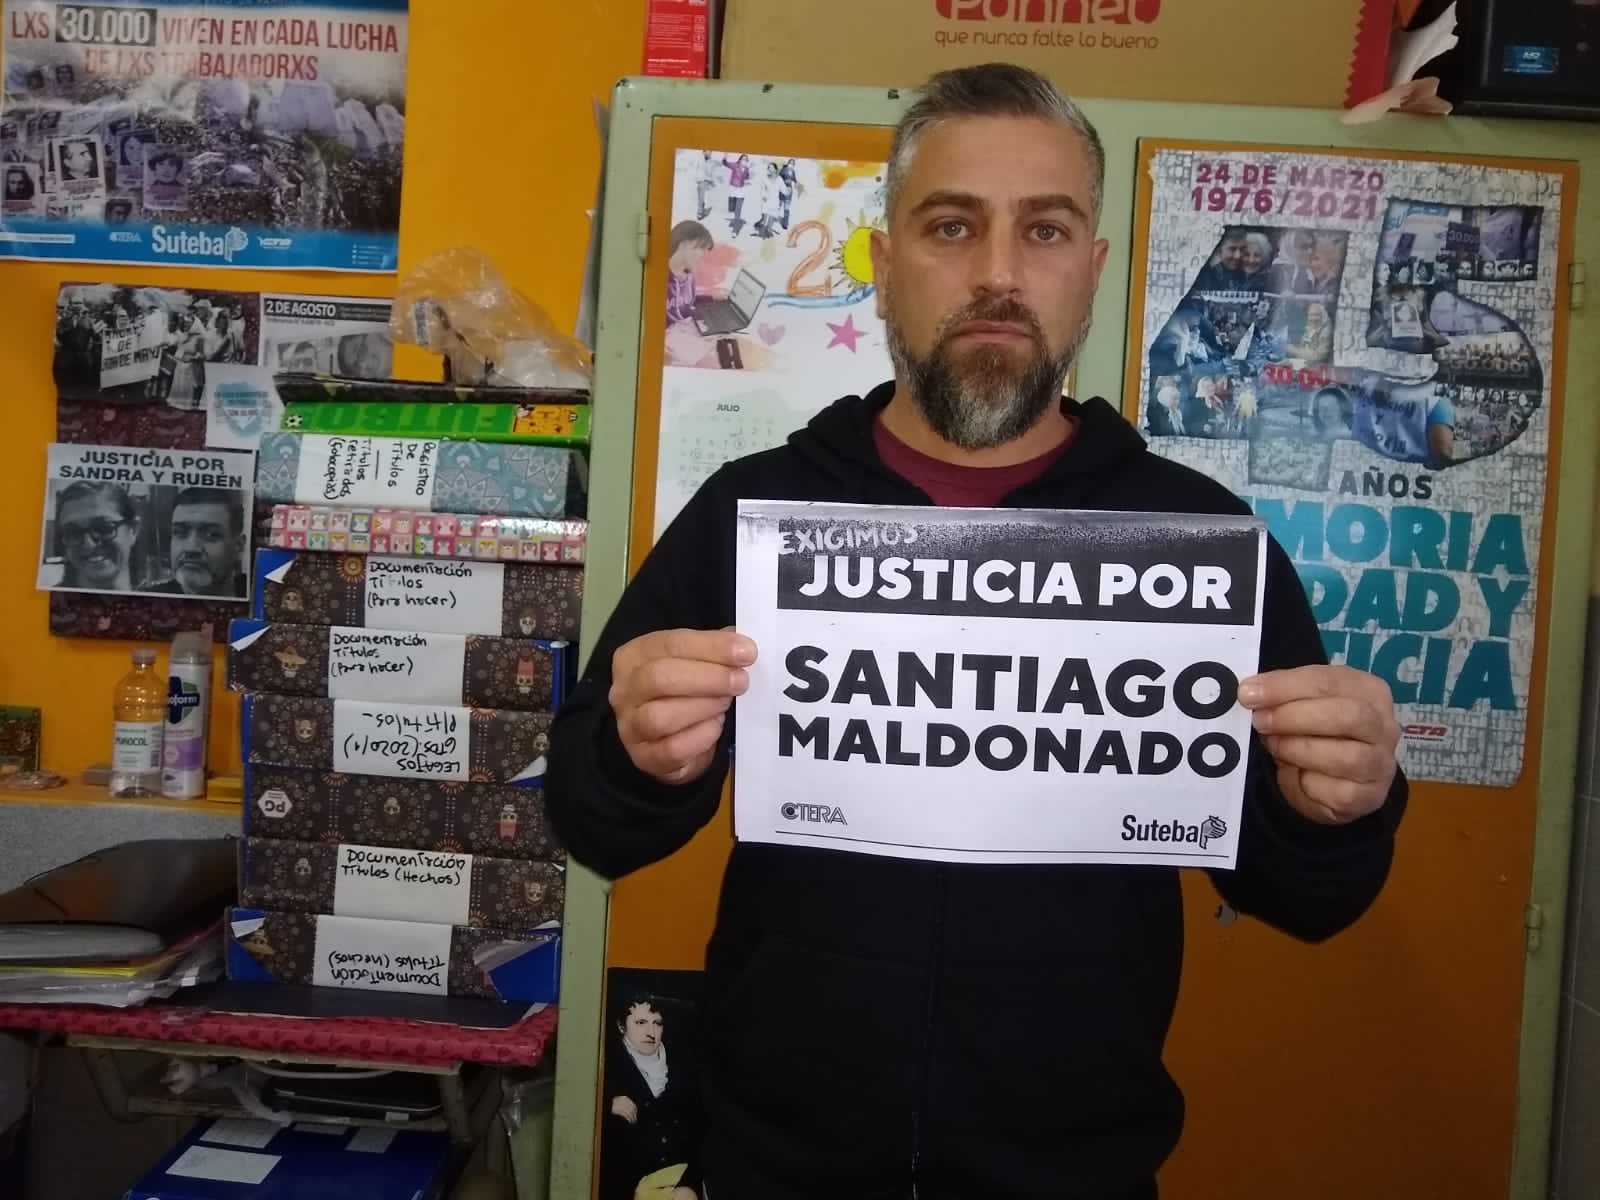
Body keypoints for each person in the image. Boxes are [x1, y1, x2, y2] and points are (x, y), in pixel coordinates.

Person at [546, 63, 1407, 1200]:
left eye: (1044, 231)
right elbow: (592, 822)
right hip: (775, 1161)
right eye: (951, 226)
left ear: (1091, 269)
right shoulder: (754, 513)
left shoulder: (1200, 540)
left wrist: (1334, 804)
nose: (998, 273)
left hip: (1077, 1172)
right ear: (884, 264)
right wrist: (636, 756)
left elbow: (1314, 897)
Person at [600, 994, 704, 1200]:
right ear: (621, 1026)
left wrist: (690, 1186)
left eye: (657, 1023)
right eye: (640, 1023)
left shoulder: (683, 1064)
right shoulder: (604, 1062)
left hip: (682, 1182)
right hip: (624, 1188)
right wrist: (605, 1105)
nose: (651, 1032)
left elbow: (700, 1130)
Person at [142, 487, 247, 598]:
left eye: (211, 535)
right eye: (180, 532)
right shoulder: (149, 599)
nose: (191, 548)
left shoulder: (255, 591)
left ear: (238, 546)